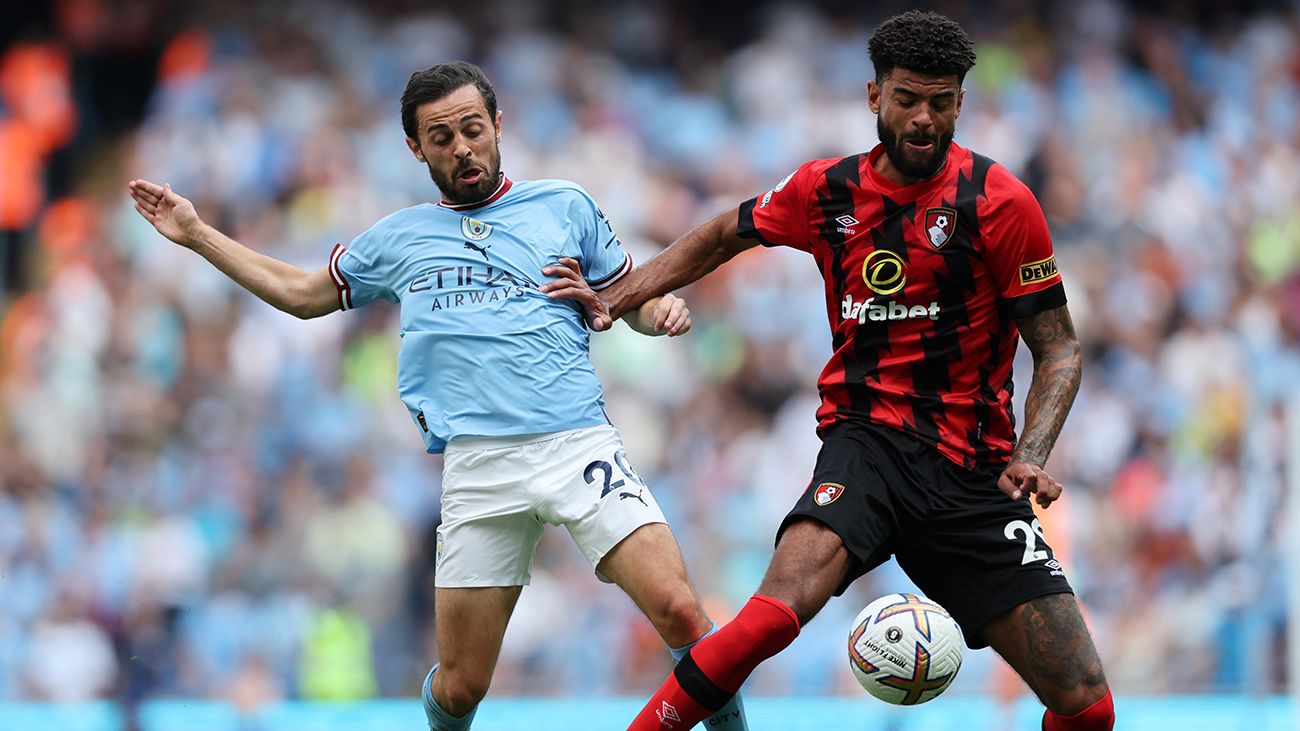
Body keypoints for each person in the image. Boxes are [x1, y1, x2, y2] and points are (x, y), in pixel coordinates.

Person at [128, 61, 750, 731]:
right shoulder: (400, 237)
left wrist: (661, 313)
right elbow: (304, 294)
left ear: (498, 126)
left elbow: (630, 294)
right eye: (442, 137)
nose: (462, 148)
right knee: (460, 688)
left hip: (576, 443)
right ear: (416, 148)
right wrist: (197, 234)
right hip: (479, 467)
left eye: (473, 130)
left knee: (683, 612)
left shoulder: (564, 205)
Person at [549, 11, 1114, 731]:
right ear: (873, 96)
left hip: (976, 474)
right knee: (768, 616)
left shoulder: (1001, 203)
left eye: (941, 102)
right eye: (907, 98)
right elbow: (727, 230)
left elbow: (1059, 346)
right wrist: (620, 295)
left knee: (1088, 707)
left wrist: (1032, 455)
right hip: (866, 443)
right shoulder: (828, 191)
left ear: (960, 105)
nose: (922, 118)